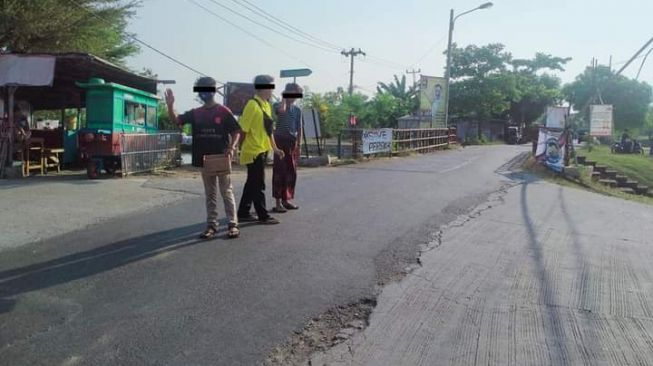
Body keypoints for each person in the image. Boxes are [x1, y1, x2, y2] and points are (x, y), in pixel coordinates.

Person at [165, 77, 241, 239]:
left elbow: (236, 131)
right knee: (210, 194)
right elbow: (176, 120)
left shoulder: (223, 111)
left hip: (221, 157)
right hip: (204, 159)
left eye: (207, 89)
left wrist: (232, 147)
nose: (204, 93)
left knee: (226, 191)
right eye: (201, 90)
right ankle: (211, 225)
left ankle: (233, 224)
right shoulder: (195, 113)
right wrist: (170, 105)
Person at [237, 74, 284, 224]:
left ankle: (243, 212)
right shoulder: (252, 105)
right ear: (263, 88)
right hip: (253, 152)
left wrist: (275, 148)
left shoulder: (266, 106)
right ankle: (263, 215)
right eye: (271, 86)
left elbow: (268, 131)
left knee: (252, 183)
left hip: (263, 150)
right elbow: (242, 130)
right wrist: (237, 149)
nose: (272, 90)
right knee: (258, 184)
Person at [271, 83, 303, 213]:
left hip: (292, 142)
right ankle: (278, 202)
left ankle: (286, 199)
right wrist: (284, 98)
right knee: (280, 172)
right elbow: (282, 111)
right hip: (279, 142)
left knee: (291, 172)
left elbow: (299, 128)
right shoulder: (277, 105)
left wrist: (299, 145)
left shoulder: (297, 110)